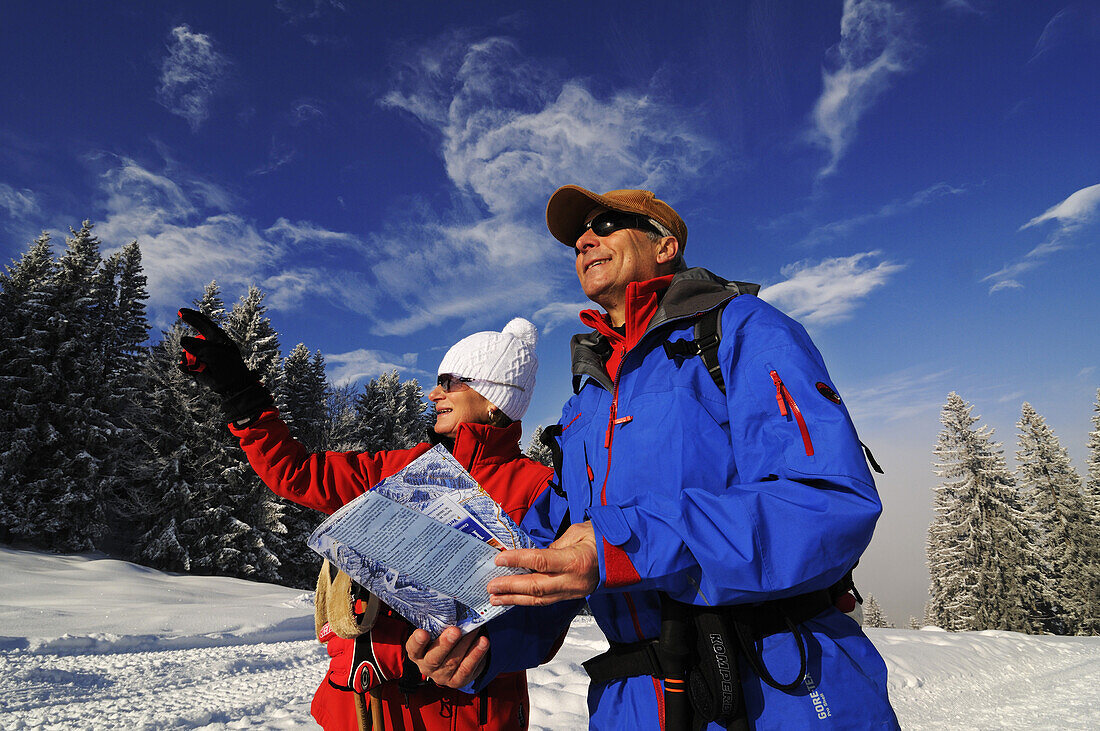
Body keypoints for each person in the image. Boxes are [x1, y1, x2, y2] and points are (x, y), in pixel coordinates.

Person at [408, 187, 900, 729]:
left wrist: (622, 544)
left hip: (776, 685)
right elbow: (556, 553)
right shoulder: (586, 402)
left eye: (606, 224)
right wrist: (479, 643)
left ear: (665, 247)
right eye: (577, 240)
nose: (583, 241)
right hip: (633, 702)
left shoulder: (743, 330)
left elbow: (828, 501)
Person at [177, 310, 553, 731]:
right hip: (370, 710)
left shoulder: (539, 488)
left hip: (466, 715)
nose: (433, 393)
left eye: (449, 382)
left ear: (492, 397)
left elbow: (542, 614)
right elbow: (298, 473)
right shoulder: (403, 469)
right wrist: (241, 394)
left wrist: (439, 651)